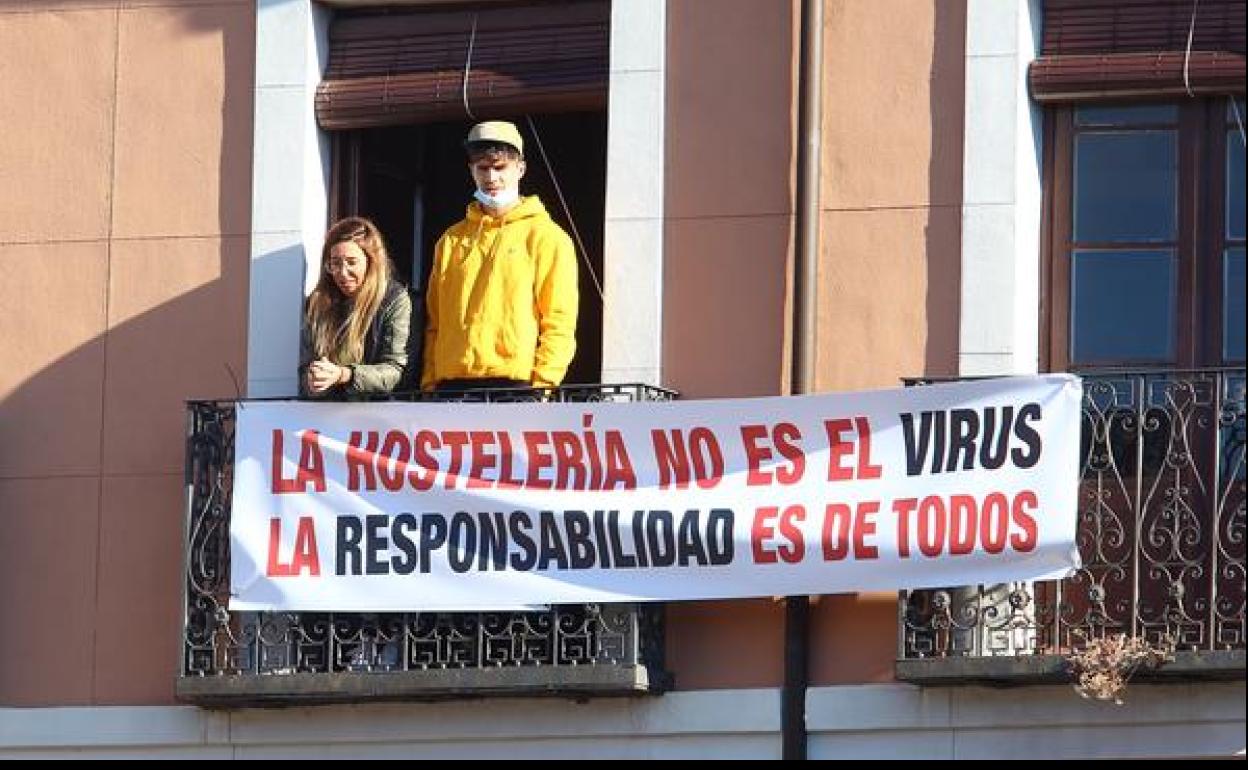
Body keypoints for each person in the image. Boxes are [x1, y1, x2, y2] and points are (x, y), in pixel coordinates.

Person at [421, 120, 578, 393]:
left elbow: (559, 321)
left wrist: (542, 386)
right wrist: (430, 382)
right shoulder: (450, 240)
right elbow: (435, 322)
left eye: (500, 167)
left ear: (521, 168)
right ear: (471, 170)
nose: (491, 178)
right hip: (450, 386)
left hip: (517, 386)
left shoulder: (547, 237)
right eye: (483, 168)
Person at [300, 216, 413, 399]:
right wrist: (313, 380)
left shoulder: (393, 299)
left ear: (371, 261)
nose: (342, 273)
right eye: (335, 263)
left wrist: (344, 375)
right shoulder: (318, 302)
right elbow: (304, 370)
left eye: (351, 262)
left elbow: (395, 370)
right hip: (325, 417)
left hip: (376, 417)